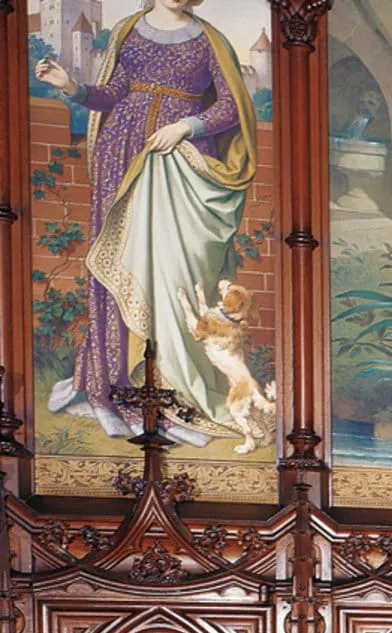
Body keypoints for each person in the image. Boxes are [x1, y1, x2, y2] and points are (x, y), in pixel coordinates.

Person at [36, 0, 257, 444]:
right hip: (120, 155)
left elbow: (231, 106)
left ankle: (173, 395)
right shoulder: (129, 29)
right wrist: (72, 87)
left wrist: (187, 126)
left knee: (175, 272)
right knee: (123, 262)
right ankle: (117, 387)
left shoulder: (209, 38)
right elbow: (111, 94)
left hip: (177, 162)